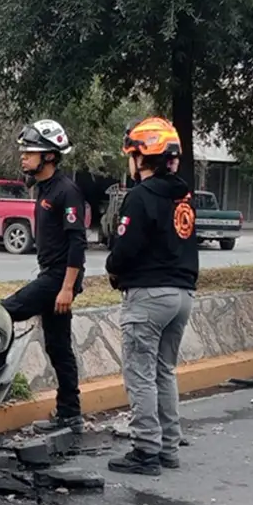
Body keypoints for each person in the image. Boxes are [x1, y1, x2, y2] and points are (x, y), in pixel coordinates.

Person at [104, 117, 199, 475]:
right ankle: (168, 448)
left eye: (131, 154)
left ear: (143, 157)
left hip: (149, 297)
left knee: (140, 373)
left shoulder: (140, 196)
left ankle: (146, 451)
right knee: (164, 371)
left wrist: (113, 267)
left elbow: (125, 250)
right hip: (182, 295)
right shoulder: (183, 197)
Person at [1, 119, 87, 433]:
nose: (24, 157)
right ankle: (70, 413)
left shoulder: (67, 191)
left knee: (3, 310)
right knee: (58, 346)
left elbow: (78, 242)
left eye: (31, 152)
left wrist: (66, 288)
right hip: (51, 274)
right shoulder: (44, 188)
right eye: (23, 151)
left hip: (58, 278)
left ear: (49, 156)